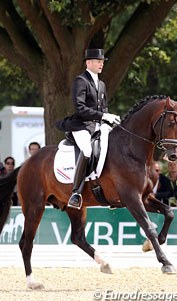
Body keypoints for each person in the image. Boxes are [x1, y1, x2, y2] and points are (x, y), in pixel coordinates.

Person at [56, 48, 120, 209]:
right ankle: (76, 193)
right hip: (81, 125)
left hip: (98, 125)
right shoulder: (81, 81)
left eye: (102, 62)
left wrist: (108, 118)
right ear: (88, 62)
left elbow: (103, 108)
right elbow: (80, 108)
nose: (101, 64)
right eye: (98, 61)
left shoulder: (102, 84)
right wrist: (102, 116)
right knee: (87, 151)